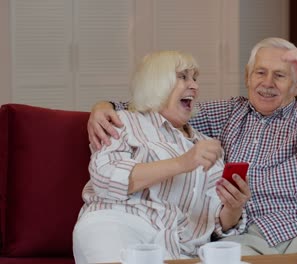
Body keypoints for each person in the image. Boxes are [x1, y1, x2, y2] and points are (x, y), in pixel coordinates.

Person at [87, 38, 297, 255]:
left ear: (295, 86)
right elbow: (161, 106)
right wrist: (104, 107)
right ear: (247, 76)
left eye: (280, 76)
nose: (267, 83)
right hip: (245, 236)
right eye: (260, 72)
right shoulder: (226, 112)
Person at [73, 51, 250, 263]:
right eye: (183, 77)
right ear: (157, 83)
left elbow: (215, 224)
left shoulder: (205, 145)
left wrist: (233, 207)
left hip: (180, 248)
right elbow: (105, 178)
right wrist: (182, 162)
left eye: (195, 78)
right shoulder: (125, 122)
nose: (194, 85)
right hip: (120, 225)